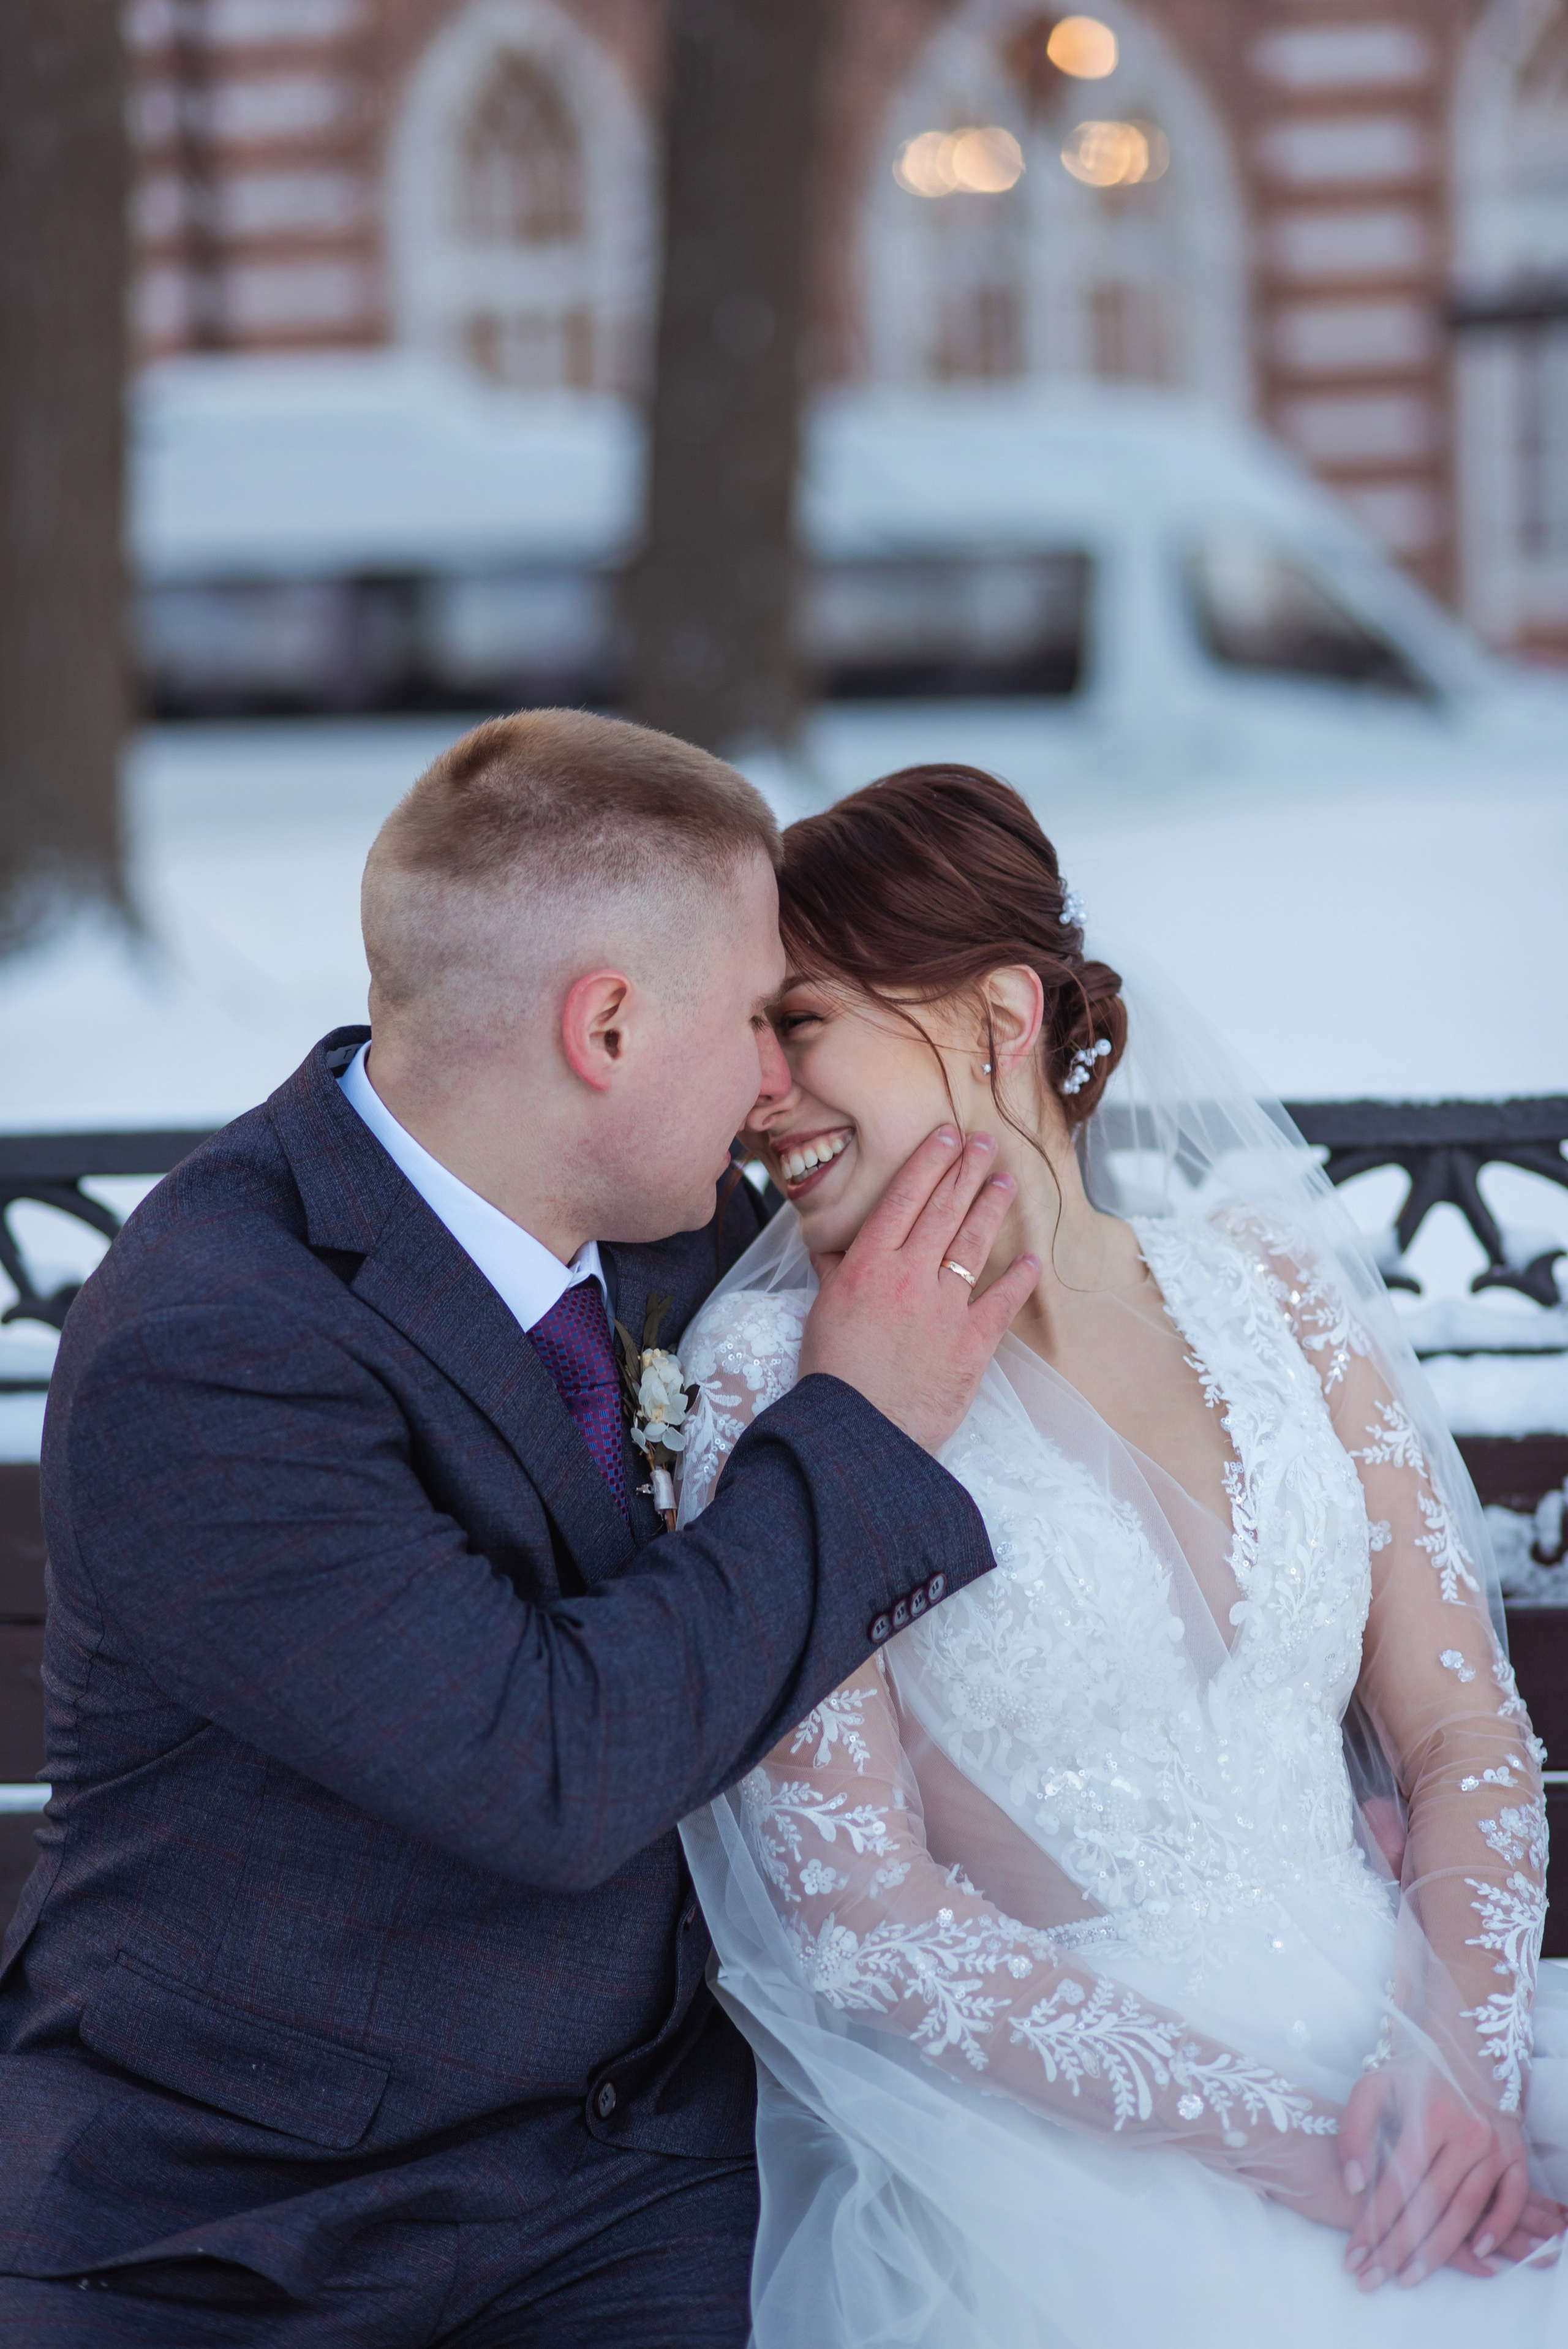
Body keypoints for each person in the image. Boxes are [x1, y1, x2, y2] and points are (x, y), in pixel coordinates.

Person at [0, 714, 1040, 2348]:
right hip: (242, 2229)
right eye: (757, 1019)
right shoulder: (210, 1348)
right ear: (609, 1027)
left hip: (634, 2178)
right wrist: (855, 1432)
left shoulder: (674, 1233)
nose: (776, 1081)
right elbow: (549, 1765)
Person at [676, 761, 1568, 2347]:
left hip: (1418, 2067)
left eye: (798, 1022)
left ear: (998, 1011)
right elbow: (862, 1910)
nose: (756, 1095)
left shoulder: (1279, 1288)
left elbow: (1463, 1731)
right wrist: (1305, 2154)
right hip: (1057, 2159)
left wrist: (1463, 2073)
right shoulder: (772, 1376)